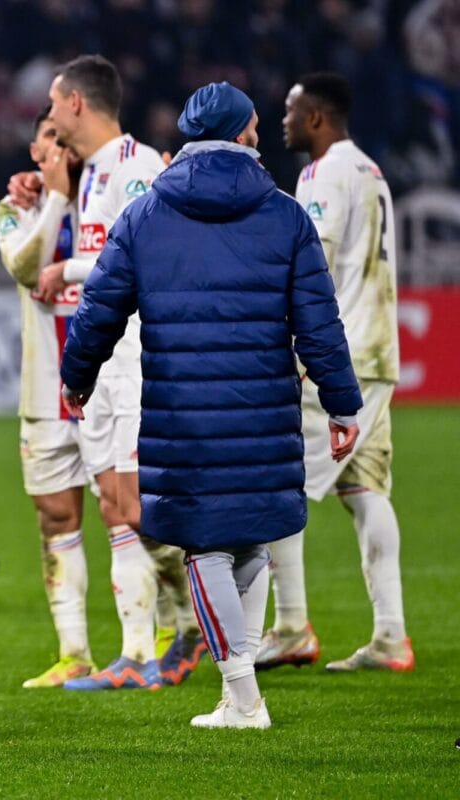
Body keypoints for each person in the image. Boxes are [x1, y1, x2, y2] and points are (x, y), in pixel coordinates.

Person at [60, 81, 362, 728]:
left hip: (184, 416)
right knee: (249, 542)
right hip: (267, 410)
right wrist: (343, 407)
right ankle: (237, 692)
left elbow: (98, 311)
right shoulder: (285, 214)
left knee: (205, 549)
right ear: (247, 133)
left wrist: (75, 377)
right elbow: (320, 326)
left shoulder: (145, 216)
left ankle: (243, 696)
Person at [20, 55, 202, 691]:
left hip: (134, 364)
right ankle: (149, 646)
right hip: (100, 365)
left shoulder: (136, 168)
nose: (45, 115)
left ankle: (197, 617)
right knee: (116, 509)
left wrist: (65, 270)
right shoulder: (90, 175)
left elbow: (143, 257)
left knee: (134, 507)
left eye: (51, 102)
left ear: (75, 102)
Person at [259, 73, 413, 673]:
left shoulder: (323, 174)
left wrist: (295, 349)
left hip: (338, 358)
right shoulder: (371, 171)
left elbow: (312, 263)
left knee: (277, 478)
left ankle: (292, 625)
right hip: (379, 353)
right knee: (365, 490)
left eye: (293, 112)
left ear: (317, 118)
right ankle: (391, 636)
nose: (285, 121)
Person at [0, 106, 99, 686]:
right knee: (55, 517)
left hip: (112, 387)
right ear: (35, 150)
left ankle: (161, 639)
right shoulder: (15, 208)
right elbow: (22, 266)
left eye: (66, 140)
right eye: (48, 141)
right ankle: (74, 652)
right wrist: (54, 199)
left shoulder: (110, 201)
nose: (57, 150)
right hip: (45, 391)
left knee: (131, 513)